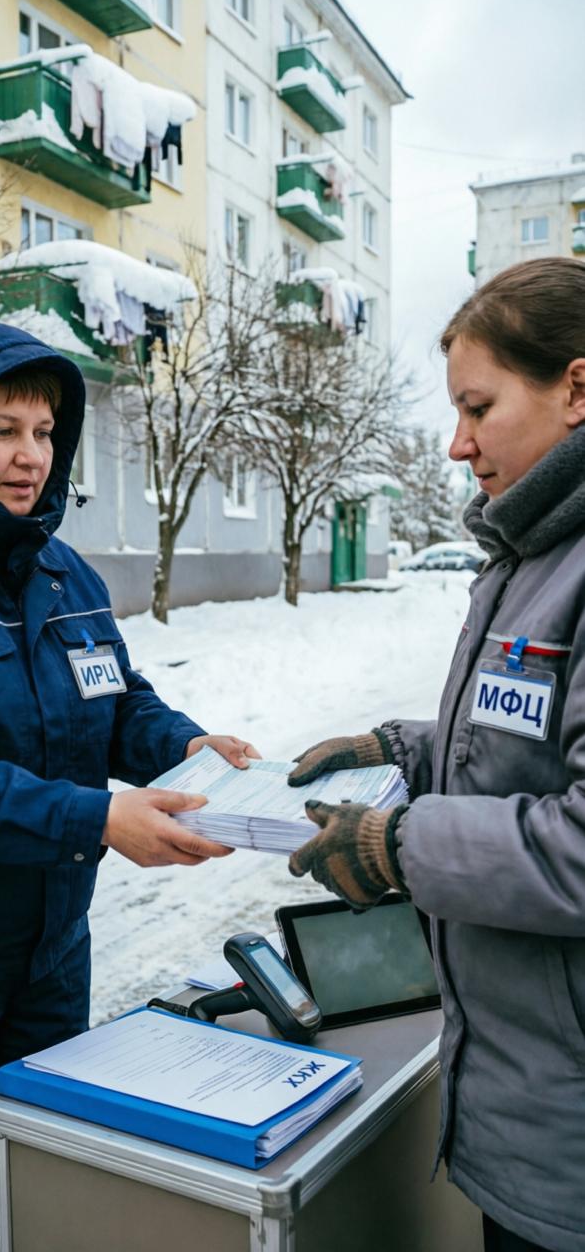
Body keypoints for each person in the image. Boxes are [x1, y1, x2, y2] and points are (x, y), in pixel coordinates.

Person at [0, 317, 259, 1252]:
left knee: (32, 1199)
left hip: (47, 963)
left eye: (43, 432)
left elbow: (114, 705)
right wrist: (95, 817)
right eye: (2, 431)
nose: (30, 456)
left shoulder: (60, 571)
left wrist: (190, 748)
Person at [287, 257, 585, 1252]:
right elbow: (522, 741)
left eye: (477, 407)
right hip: (530, 1101)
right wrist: (397, 749)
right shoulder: (532, 551)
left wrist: (397, 843)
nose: (456, 444)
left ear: (575, 389)